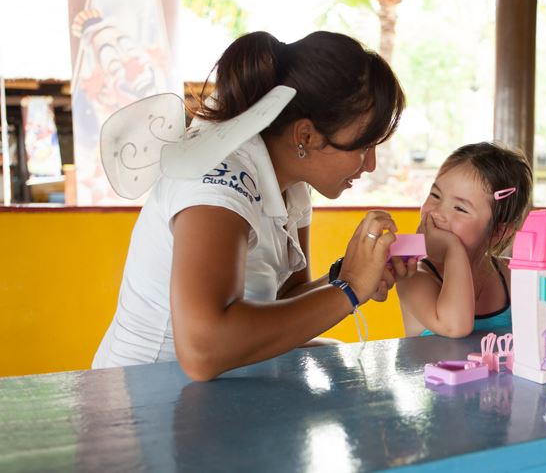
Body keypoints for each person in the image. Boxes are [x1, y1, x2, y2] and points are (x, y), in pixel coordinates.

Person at [92, 30, 415, 380]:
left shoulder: (290, 182)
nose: (370, 165)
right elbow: (203, 349)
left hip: (208, 396)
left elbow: (284, 299)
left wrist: (346, 275)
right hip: (145, 400)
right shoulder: (215, 181)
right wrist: (349, 288)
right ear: (305, 136)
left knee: (337, 357)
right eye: (363, 146)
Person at [396, 142, 533, 338]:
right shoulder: (414, 276)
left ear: (497, 231)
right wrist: (454, 248)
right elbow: (455, 327)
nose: (436, 212)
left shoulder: (513, 275)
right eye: (435, 195)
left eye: (460, 208)